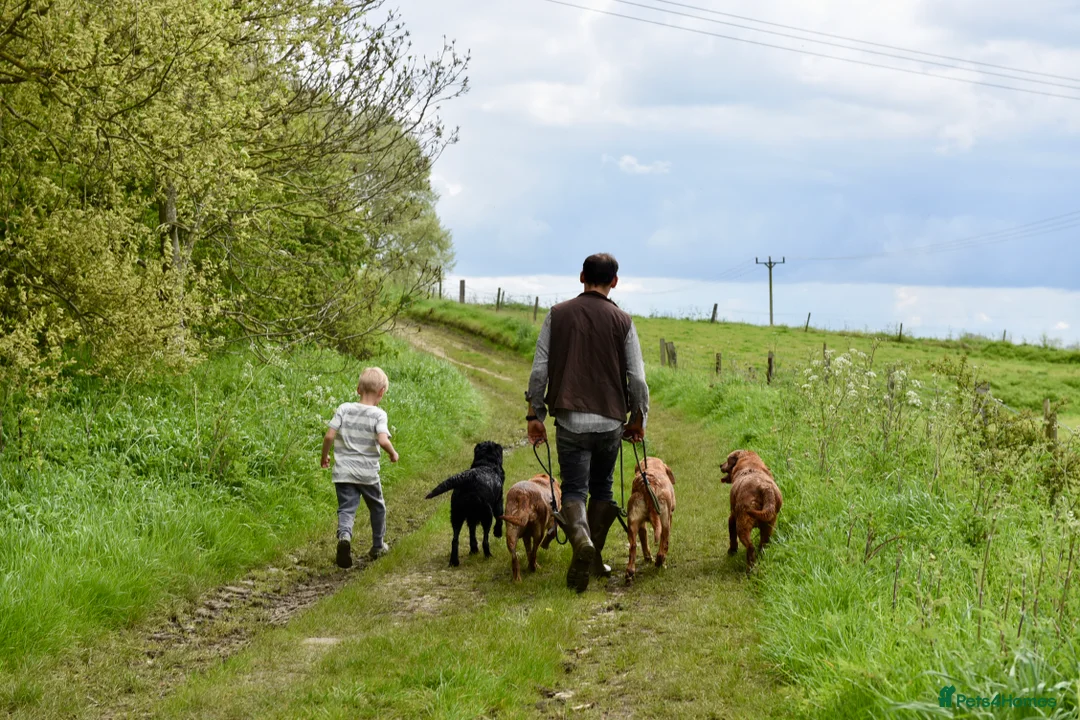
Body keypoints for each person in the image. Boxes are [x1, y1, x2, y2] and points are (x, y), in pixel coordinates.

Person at [525, 253, 649, 593]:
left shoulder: (557, 315)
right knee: (603, 488)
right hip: (610, 420)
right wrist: (638, 417)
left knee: (575, 489)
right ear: (615, 282)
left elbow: (539, 370)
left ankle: (582, 544)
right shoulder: (623, 321)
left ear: (582, 277)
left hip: (569, 419)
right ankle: (592, 556)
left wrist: (535, 413)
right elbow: (636, 378)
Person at [321, 367, 399, 568]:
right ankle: (377, 546)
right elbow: (382, 440)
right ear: (382, 392)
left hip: (343, 472)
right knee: (377, 508)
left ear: (358, 389)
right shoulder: (378, 415)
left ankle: (345, 538)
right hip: (367, 473)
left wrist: (325, 457)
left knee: (347, 509)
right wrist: (392, 452)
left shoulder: (344, 408)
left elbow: (329, 436)